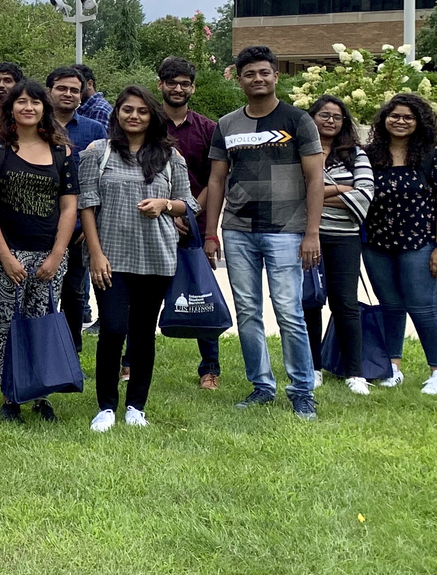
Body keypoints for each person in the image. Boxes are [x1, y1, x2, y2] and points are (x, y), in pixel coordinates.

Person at [200, 45, 324, 418]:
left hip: (287, 230)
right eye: (250, 73)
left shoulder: (298, 120)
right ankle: (262, 385)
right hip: (237, 230)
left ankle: (302, 389)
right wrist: (211, 233)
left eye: (264, 73)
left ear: (275, 76)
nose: (258, 79)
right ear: (240, 79)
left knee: (289, 311)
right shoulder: (227, 124)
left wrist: (312, 233)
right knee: (248, 311)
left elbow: (315, 177)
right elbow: (217, 180)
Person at [78, 86, 192, 431]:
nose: (134, 116)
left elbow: (188, 202)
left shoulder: (171, 157)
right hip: (110, 257)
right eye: (127, 110)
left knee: (143, 333)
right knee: (112, 329)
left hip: (156, 258)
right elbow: (87, 205)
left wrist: (166, 205)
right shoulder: (98, 152)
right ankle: (106, 407)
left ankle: (136, 406)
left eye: (142, 111)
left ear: (151, 116)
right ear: (117, 114)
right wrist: (95, 254)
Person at [0, 79, 76, 423]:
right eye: (21, 102)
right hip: (6, 254)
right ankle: (11, 396)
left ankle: (41, 394)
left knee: (42, 321)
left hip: (49, 255)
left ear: (45, 108)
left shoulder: (62, 151)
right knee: (5, 325)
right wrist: (4, 255)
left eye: (35, 102)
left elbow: (68, 208)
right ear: (11, 108)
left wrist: (57, 255)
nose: (28, 108)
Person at [362, 92, 437, 395]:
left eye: (408, 117)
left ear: (419, 122)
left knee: (422, 307)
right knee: (390, 306)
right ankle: (392, 367)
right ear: (384, 119)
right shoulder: (370, 155)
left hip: (420, 243)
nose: (400, 122)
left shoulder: (433, 157)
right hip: (377, 243)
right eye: (394, 116)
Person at [155, 55, 224, 389]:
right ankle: (129, 363)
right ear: (161, 85)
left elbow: (217, 178)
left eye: (185, 83)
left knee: (201, 292)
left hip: (193, 225)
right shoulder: (146, 123)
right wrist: (169, 212)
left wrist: (192, 217)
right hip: (150, 223)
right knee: (142, 296)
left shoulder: (208, 128)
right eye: (172, 82)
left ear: (193, 88)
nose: (178, 88)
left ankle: (210, 368)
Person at [303, 94, 374, 395]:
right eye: (324, 115)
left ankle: (355, 372)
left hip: (344, 238)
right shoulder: (301, 150)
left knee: (345, 303)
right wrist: (340, 188)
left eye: (337, 116)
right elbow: (295, 192)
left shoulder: (355, 154)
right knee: (310, 302)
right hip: (307, 237)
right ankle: (313, 368)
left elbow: (365, 192)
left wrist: (317, 192)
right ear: (312, 118)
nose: (330, 120)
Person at [46, 66, 109, 333]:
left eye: (74, 90)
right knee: (41, 290)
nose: (68, 94)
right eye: (62, 88)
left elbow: (103, 178)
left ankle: (72, 349)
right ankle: (43, 347)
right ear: (49, 91)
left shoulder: (94, 129)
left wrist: (91, 222)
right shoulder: (35, 125)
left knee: (74, 292)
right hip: (40, 221)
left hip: (79, 225)